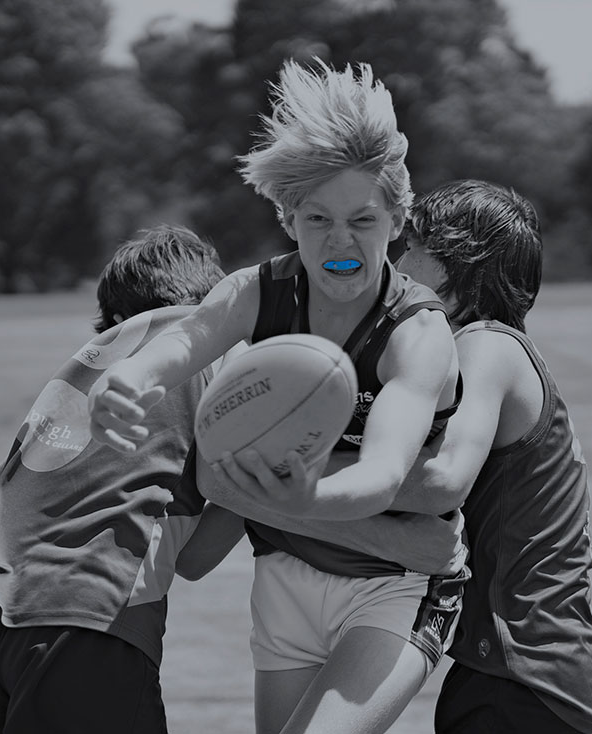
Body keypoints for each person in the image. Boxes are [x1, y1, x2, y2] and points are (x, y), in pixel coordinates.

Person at [90, 60, 467, 734]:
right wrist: (131, 378)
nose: (340, 240)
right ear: (288, 220)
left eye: (362, 218)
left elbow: (384, 471)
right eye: (317, 218)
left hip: (396, 586)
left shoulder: (418, 334)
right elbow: (191, 338)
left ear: (397, 221)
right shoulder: (255, 292)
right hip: (284, 582)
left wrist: (301, 501)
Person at [0, 225, 234, 734]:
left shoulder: (82, 370)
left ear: (117, 320)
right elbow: (196, 558)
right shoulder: (209, 348)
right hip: (88, 619)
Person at [391, 180, 592, 733]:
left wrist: (302, 478)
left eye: (412, 245)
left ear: (457, 262)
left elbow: (441, 481)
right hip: (531, 679)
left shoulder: (486, 345)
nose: (398, 260)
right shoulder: (494, 351)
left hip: (523, 682)